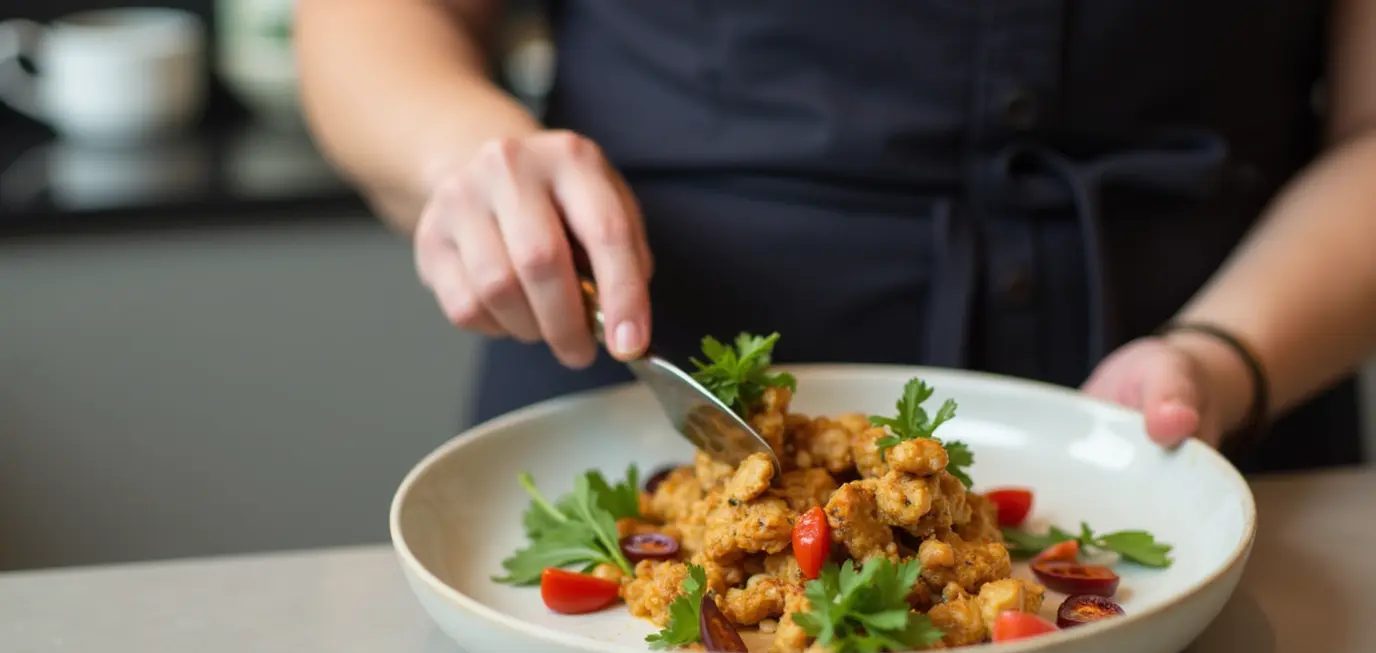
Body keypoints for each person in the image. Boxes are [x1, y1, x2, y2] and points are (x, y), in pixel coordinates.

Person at [296, 1, 1376, 473]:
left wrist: (1223, 356)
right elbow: (369, 20)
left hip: (1211, 426)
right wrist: (462, 156)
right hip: (642, 397)